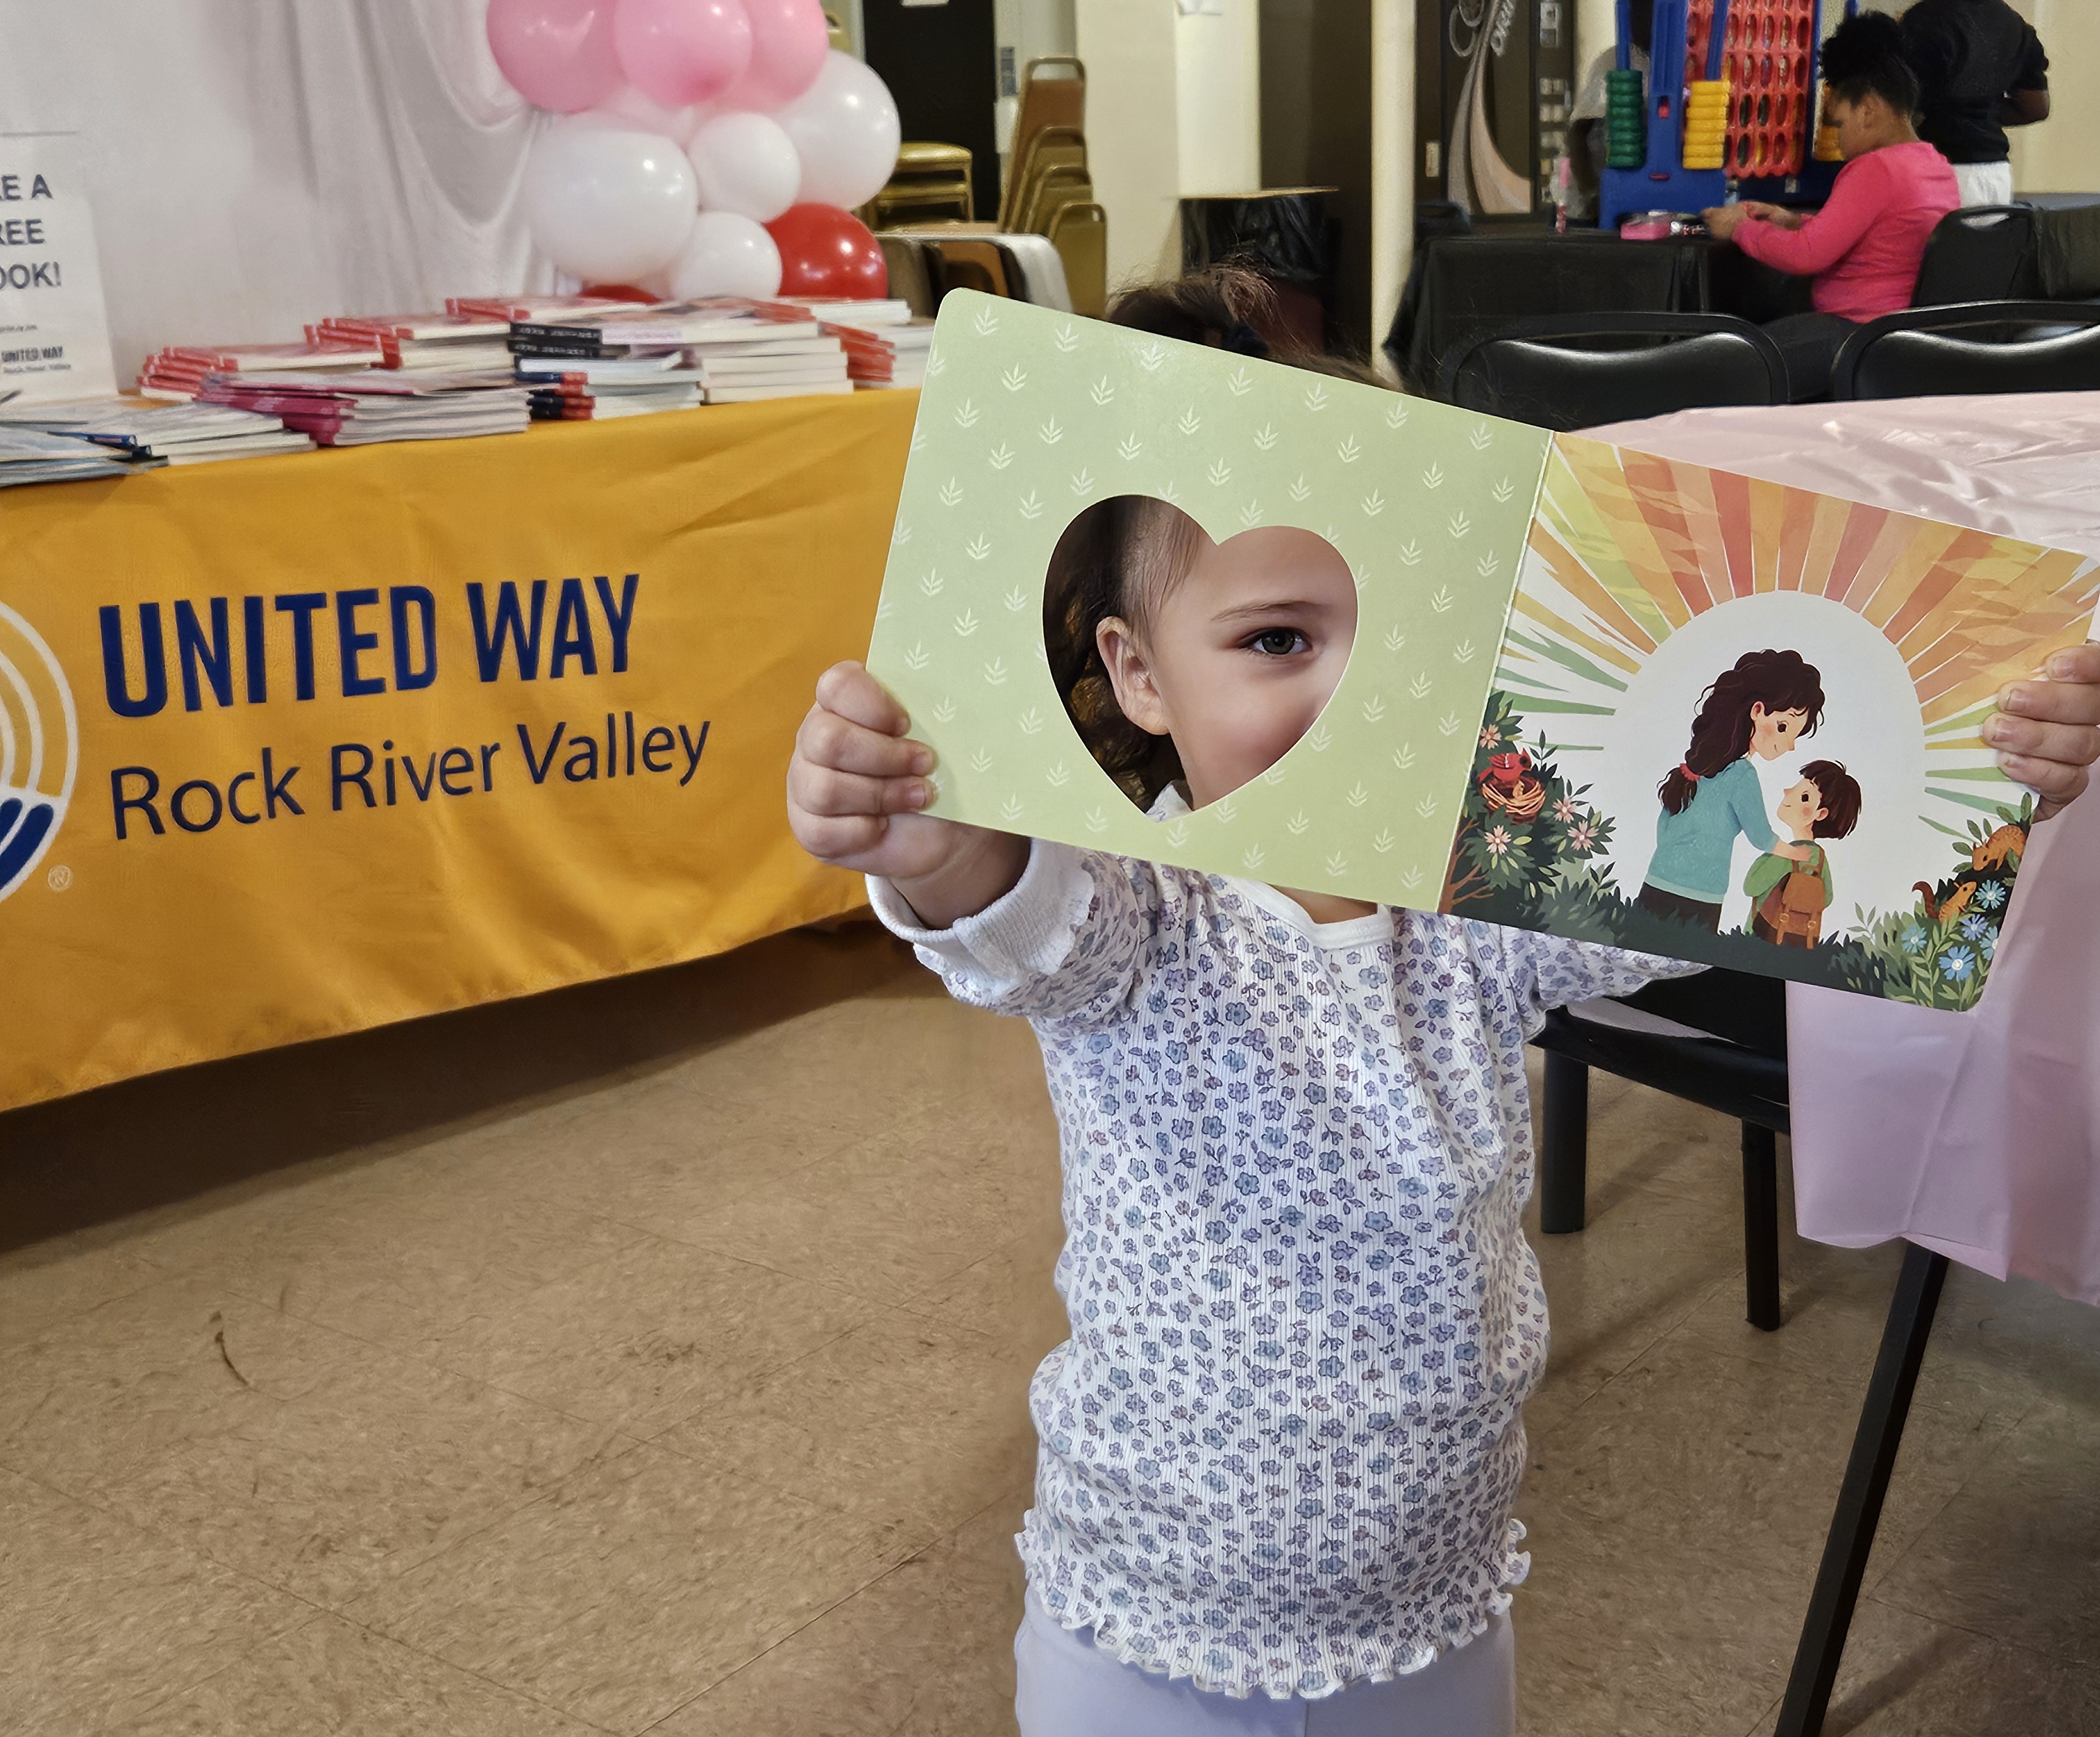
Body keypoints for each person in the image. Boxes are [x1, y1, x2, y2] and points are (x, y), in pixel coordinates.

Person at [783, 271, 2100, 1736]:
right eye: (1278, 641)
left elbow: (1719, 896)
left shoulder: (1479, 910)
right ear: (1138, 675)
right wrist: (926, 829)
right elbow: (1018, 927)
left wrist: (1993, 776)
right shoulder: (1143, 908)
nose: (1352, 688)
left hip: (1432, 1616)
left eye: (1393, 631)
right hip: (1146, 1631)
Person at [1703, 11, 1959, 401]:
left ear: (1869, 109)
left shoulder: (1875, 169)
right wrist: (1792, 221)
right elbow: (1878, 234)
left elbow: (1809, 256)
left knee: (1717, 371)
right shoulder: (1932, 164)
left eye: (1838, 124)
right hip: (1901, 336)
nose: (1836, 139)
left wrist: (1739, 228)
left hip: (1856, 335)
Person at [1640, 649, 1826, 931]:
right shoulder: (1741, 775)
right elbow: (1761, 836)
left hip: (1656, 881)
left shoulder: (1692, 771)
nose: (1789, 746)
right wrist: (1794, 853)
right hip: (1701, 895)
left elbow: (1664, 826)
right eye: (1784, 727)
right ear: (1757, 711)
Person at [1901, 0, 2050, 209]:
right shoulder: (2015, 25)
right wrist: (1983, 113)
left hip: (1936, 172)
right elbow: (2036, 108)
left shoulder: (1923, 19)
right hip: (1996, 178)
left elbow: (1904, 103)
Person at [1745, 761, 1864, 948]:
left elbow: (1751, 886)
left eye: (1804, 796)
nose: (1787, 792)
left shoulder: (1784, 854)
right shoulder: (1820, 859)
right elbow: (1827, 898)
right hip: (1799, 941)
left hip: (1758, 940)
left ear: (1821, 814)